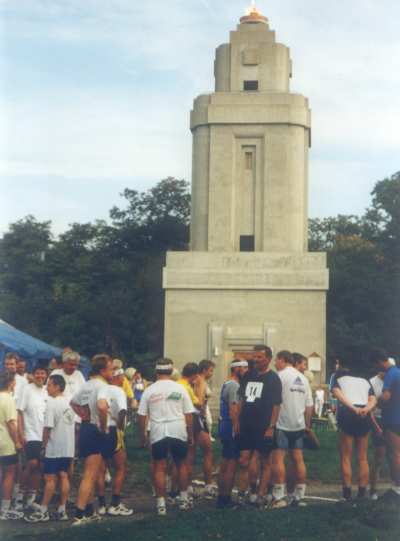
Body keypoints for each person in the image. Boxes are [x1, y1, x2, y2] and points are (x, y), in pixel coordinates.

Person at [138, 358, 194, 516]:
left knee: (159, 467)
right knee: (181, 465)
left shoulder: (149, 390)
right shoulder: (180, 388)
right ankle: (183, 499)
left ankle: (161, 504)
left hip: (158, 430)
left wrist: (142, 435)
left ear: (156, 372)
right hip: (178, 429)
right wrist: (190, 434)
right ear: (171, 371)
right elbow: (188, 414)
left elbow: (141, 416)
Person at [25, 374, 75, 523]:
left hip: (55, 448)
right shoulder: (68, 404)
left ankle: (43, 510)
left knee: (49, 478)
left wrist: (43, 446)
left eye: (50, 385)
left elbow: (47, 428)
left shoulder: (52, 403)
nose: (47, 387)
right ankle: (62, 510)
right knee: (64, 476)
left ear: (58, 387)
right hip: (68, 448)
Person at [70, 354, 114, 526]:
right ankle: (79, 514)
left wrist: (84, 415)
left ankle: (89, 511)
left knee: (90, 473)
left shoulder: (86, 385)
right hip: (96, 429)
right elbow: (102, 406)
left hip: (86, 428)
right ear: (103, 370)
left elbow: (72, 402)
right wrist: (103, 427)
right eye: (111, 369)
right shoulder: (103, 386)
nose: (113, 372)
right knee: (90, 474)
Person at [237, 345, 282, 507]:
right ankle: (250, 491)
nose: (256, 360)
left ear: (268, 359)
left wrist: (271, 427)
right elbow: (242, 398)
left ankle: (261, 495)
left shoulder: (274, 379)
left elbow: (277, 405)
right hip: (246, 424)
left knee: (264, 460)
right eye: (254, 357)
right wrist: (237, 421)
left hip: (263, 425)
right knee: (244, 459)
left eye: (259, 357)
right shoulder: (248, 375)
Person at [273, 351, 314, 508]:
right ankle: (298, 496)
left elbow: (274, 401)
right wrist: (307, 426)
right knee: (298, 459)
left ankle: (279, 495)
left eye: (276, 360)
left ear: (283, 360)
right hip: (299, 425)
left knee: (278, 459)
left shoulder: (279, 376)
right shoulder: (303, 378)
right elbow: (309, 406)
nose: (275, 363)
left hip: (281, 424)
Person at [331, 364, 377, 501]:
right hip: (364, 414)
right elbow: (373, 399)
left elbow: (337, 393)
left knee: (346, 457)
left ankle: (347, 494)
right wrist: (366, 409)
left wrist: (353, 408)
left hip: (348, 414)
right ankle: (362, 494)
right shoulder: (364, 380)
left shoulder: (337, 377)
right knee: (363, 457)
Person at [96, 367, 133, 516]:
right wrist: (120, 428)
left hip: (100, 430)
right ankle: (115, 503)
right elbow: (123, 411)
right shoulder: (119, 391)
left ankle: (101, 505)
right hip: (114, 430)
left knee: (101, 469)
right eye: (122, 376)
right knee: (121, 467)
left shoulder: (101, 389)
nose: (124, 379)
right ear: (118, 378)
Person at [217, 359, 248, 508]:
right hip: (230, 426)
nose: (246, 370)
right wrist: (237, 427)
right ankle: (225, 498)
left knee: (225, 462)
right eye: (244, 368)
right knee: (231, 464)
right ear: (236, 369)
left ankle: (221, 496)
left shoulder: (226, 383)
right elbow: (234, 408)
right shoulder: (235, 386)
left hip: (224, 425)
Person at [17, 365, 48, 509]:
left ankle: (31, 499)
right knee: (31, 464)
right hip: (30, 434)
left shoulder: (48, 390)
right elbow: (20, 412)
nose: (40, 376)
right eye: (37, 373)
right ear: (33, 375)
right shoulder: (27, 389)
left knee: (40, 467)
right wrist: (21, 432)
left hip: (44, 435)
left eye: (43, 373)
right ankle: (18, 498)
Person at [377, 353, 400, 502]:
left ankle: (397, 486)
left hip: (393, 419)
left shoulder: (391, 374)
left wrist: (376, 402)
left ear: (381, 362)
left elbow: (386, 396)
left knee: (395, 453)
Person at [0, 371, 23, 521]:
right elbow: (11, 424)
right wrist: (17, 441)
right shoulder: (8, 399)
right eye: (14, 382)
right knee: (9, 473)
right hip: (5, 442)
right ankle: (5, 508)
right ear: (10, 383)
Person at [192, 359, 216, 499]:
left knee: (192, 451)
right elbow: (199, 402)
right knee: (208, 452)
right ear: (204, 370)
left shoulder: (196, 380)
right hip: (200, 419)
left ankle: (186, 485)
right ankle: (208, 485)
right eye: (211, 370)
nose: (212, 374)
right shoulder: (200, 380)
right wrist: (202, 418)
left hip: (198, 418)